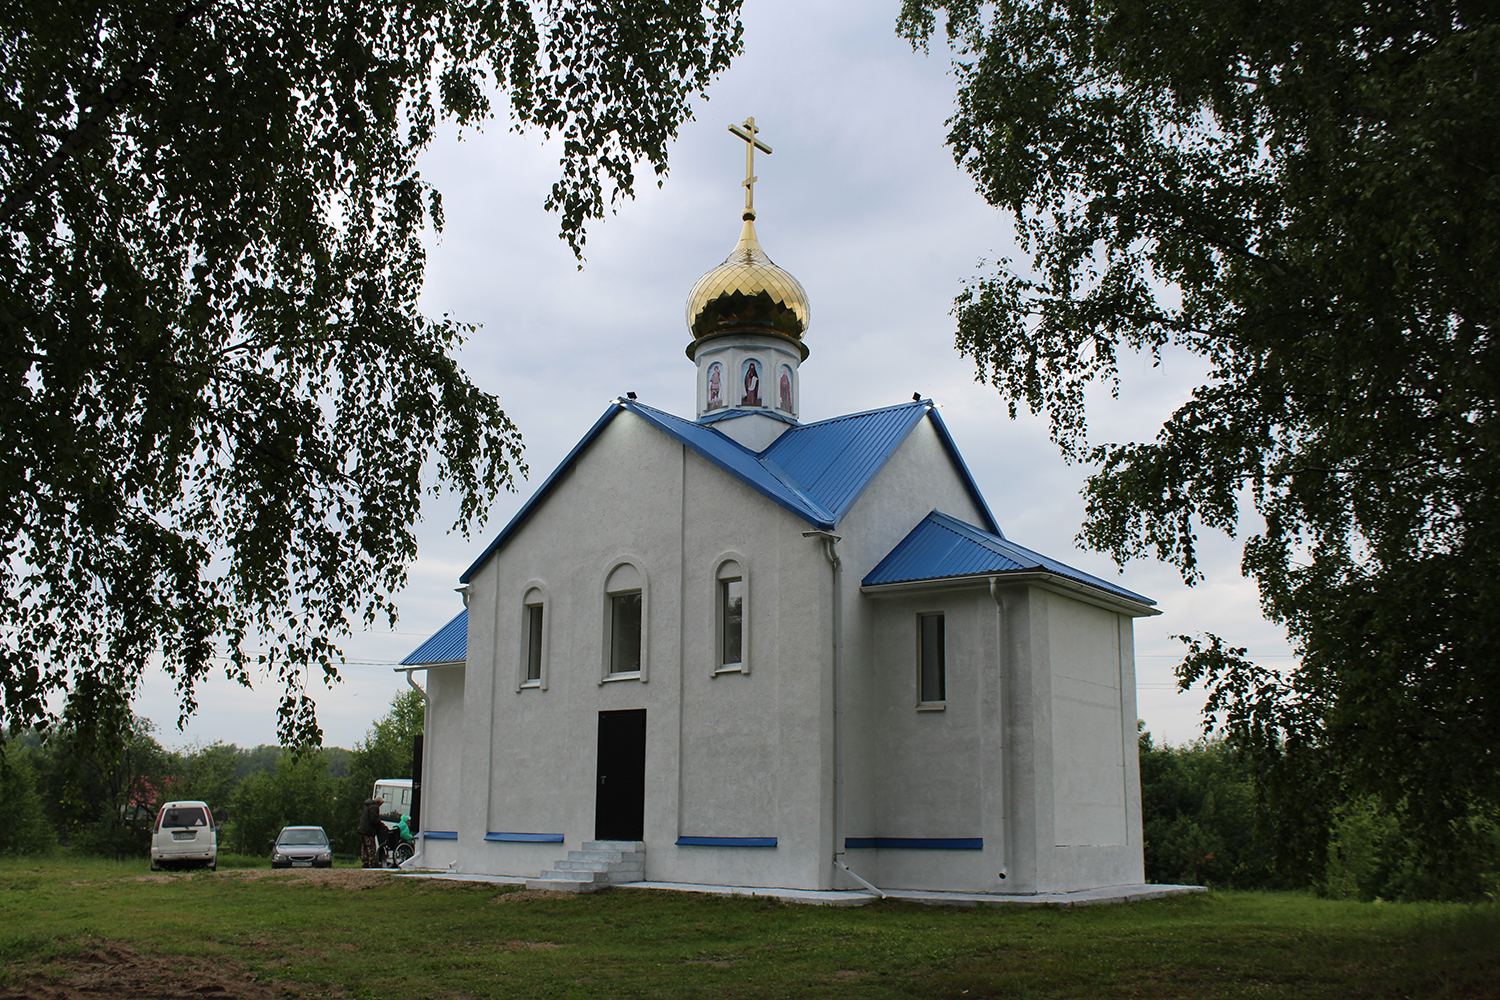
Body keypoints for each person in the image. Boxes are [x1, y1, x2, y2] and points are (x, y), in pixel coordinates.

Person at [357, 796, 384, 868]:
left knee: (364, 847)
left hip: (362, 829)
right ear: (378, 802)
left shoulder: (367, 806)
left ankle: (365, 862)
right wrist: (380, 824)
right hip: (368, 830)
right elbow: (373, 819)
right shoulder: (374, 807)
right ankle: (373, 863)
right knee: (371, 847)